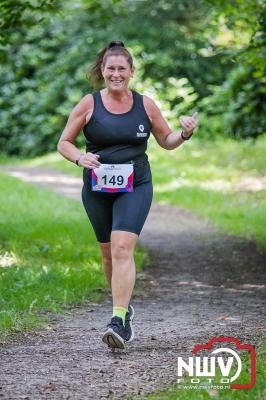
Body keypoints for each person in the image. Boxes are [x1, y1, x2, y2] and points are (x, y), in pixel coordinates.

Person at [57, 40, 198, 349]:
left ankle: (118, 320)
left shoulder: (145, 105)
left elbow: (166, 140)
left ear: (132, 72)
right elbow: (64, 142)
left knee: (123, 247)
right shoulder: (89, 103)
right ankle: (123, 308)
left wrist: (185, 133)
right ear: (102, 71)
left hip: (136, 184)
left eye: (122, 69)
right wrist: (80, 157)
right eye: (111, 69)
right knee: (108, 253)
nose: (116, 74)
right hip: (97, 187)